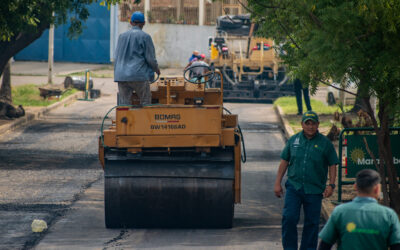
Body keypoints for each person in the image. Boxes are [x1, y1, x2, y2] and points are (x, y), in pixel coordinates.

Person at [274, 110, 339, 250]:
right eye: (307, 123)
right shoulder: (294, 140)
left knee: (312, 223)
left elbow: (333, 164)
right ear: (302, 124)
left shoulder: (325, 143)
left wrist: (331, 184)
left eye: (313, 123)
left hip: (314, 190)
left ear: (318, 125)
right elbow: (284, 161)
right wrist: (277, 183)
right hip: (294, 187)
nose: (310, 126)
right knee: (289, 218)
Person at [318, 169, 400, 250]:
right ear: (377, 189)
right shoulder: (388, 215)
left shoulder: (340, 212)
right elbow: (396, 245)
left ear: (355, 187)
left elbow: (325, 244)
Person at [114, 11, 160, 105]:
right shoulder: (145, 37)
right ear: (143, 23)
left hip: (121, 76)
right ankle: (144, 119)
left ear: (131, 22)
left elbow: (117, 57)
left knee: (124, 105)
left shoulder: (121, 37)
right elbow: (150, 58)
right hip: (138, 75)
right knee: (145, 101)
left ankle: (125, 119)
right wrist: (157, 69)